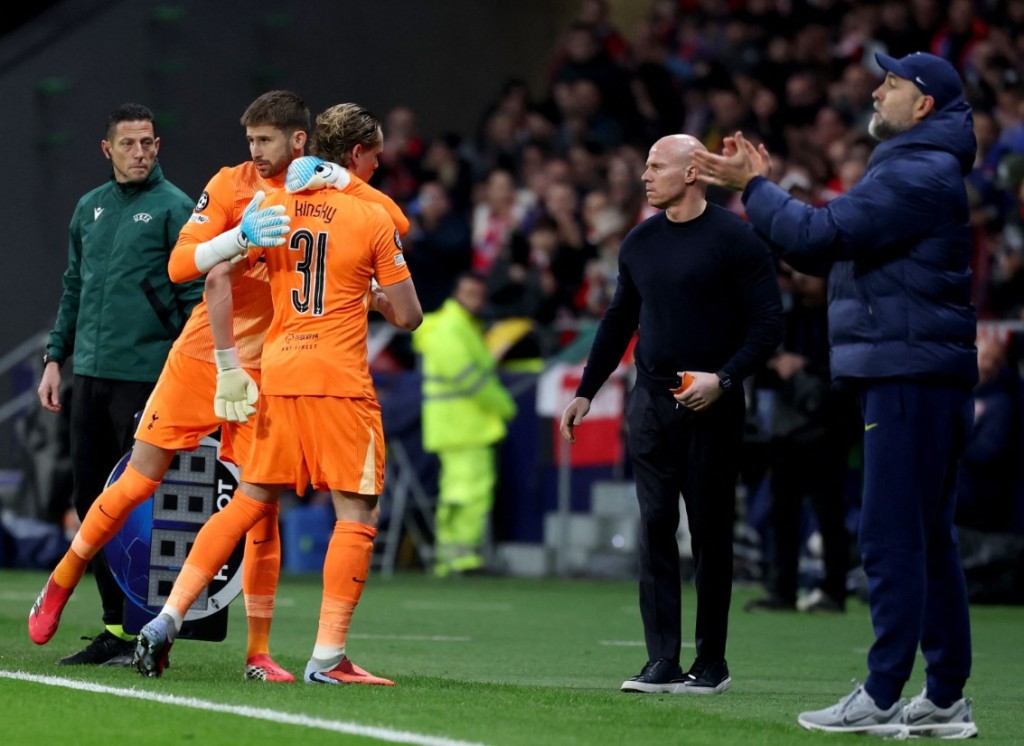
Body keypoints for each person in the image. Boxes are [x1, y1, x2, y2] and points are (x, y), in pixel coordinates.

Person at [28, 92, 410, 683]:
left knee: (260, 508)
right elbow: (188, 270)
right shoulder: (233, 186)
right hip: (207, 356)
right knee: (140, 477)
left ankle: (257, 652)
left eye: (265, 141)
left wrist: (341, 178)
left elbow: (388, 225)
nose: (254, 153)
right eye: (250, 140)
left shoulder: (309, 196)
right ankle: (60, 581)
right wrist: (236, 241)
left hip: (270, 371)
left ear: (300, 143)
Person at [694, 51, 980, 738]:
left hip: (907, 374)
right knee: (928, 539)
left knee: (889, 537)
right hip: (919, 371)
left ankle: (883, 696)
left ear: (925, 107)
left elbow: (819, 235)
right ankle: (943, 697)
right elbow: (819, 245)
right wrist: (767, 196)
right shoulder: (921, 166)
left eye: (892, 84)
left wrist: (754, 188)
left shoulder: (917, 170)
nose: (876, 92)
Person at [131, 103, 423, 687]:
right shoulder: (369, 216)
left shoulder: (272, 207)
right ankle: (327, 656)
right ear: (358, 157)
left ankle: (167, 618)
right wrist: (371, 290)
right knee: (357, 512)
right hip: (339, 379)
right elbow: (409, 315)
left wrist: (228, 364)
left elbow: (211, 275)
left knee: (248, 501)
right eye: (376, 157)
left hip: (278, 373)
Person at [559, 134, 784, 695]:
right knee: (655, 526)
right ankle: (661, 659)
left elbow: (768, 327)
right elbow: (618, 320)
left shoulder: (737, 240)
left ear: (691, 174)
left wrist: (724, 379)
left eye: (656, 166)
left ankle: (711, 662)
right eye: (645, 165)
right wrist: (588, 389)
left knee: (709, 531)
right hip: (653, 403)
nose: (645, 175)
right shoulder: (638, 242)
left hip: (713, 402)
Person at [34, 102, 203, 666]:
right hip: (90, 377)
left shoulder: (175, 208)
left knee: (140, 512)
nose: (140, 153)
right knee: (89, 502)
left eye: (148, 143)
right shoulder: (90, 209)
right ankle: (115, 627)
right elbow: (74, 288)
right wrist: (55, 358)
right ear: (107, 150)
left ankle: (149, 630)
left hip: (148, 383)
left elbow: (193, 305)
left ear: (158, 146)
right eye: (128, 144)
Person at [744, 267, 860, 614]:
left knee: (829, 512)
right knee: (783, 513)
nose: (800, 277)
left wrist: (804, 364)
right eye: (794, 272)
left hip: (829, 426)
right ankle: (783, 590)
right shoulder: (786, 318)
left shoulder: (842, 318)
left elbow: (851, 368)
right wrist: (777, 364)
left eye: (808, 272)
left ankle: (833, 590)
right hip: (787, 426)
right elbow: (761, 367)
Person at [411, 270, 518, 577]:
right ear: (456, 293)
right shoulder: (451, 328)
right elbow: (470, 380)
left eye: (479, 293)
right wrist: (504, 405)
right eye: (470, 292)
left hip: (462, 426)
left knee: (462, 493)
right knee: (466, 494)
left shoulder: (459, 326)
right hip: (463, 426)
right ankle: (459, 559)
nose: (476, 299)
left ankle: (453, 557)